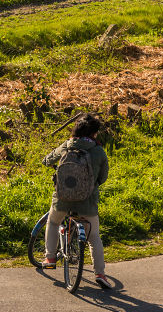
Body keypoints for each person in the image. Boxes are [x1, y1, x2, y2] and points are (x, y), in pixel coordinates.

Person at [41, 113, 111, 289]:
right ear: (94, 133)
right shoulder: (98, 151)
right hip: (87, 203)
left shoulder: (67, 145)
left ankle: (50, 257)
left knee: (53, 221)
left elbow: (46, 160)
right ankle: (100, 273)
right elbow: (103, 178)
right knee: (94, 236)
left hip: (62, 199)